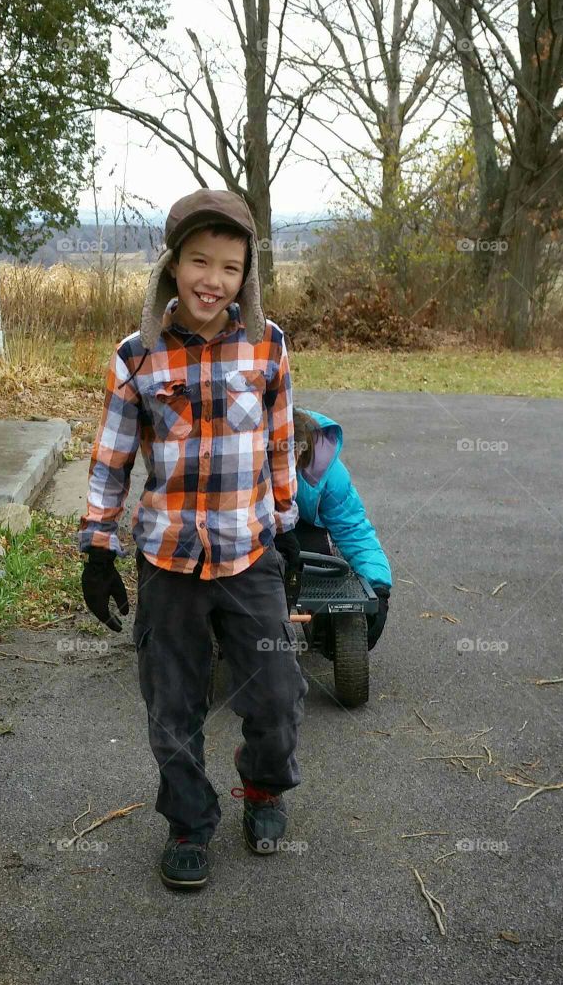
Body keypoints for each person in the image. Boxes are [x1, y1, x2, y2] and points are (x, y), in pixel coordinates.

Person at [77, 189, 308, 892]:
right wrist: (97, 548)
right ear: (173, 265)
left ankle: (262, 790)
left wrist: (288, 527)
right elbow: (112, 458)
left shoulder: (268, 346)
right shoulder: (136, 356)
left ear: (247, 277)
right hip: (168, 558)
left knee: (275, 695)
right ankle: (188, 823)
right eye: (200, 261)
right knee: (172, 706)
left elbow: (279, 444)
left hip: (249, 551)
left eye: (231, 267)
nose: (214, 280)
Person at [292, 408, 392, 650]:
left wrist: (378, 587)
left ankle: (324, 621)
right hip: (248, 527)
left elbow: (352, 528)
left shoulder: (327, 472)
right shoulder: (239, 457)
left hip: (300, 528)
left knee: (320, 558)